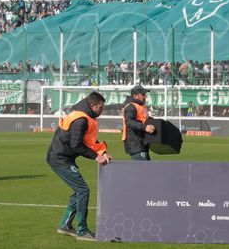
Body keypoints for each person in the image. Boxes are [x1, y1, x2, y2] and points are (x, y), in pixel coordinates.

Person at [46, 92, 112, 241]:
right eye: (101, 107)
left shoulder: (84, 116)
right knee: (83, 190)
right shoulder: (81, 120)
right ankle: (82, 230)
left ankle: (65, 225)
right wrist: (96, 156)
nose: (102, 110)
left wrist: (103, 152)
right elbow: (76, 145)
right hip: (59, 159)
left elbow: (90, 141)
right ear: (92, 106)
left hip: (63, 157)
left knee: (79, 191)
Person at [122, 85, 155, 161]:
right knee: (144, 170)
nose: (145, 97)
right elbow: (129, 122)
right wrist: (145, 127)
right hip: (135, 142)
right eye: (143, 95)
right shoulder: (131, 106)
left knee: (144, 169)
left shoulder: (141, 106)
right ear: (135, 96)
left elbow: (145, 119)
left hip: (141, 142)